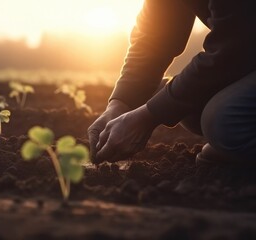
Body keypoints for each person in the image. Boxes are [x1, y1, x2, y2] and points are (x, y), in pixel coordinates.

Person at [88, 0, 256, 165]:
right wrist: (121, 103)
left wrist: (147, 117)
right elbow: (153, 37)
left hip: (241, 52)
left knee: (224, 121)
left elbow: (231, 51)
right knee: (177, 103)